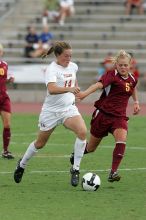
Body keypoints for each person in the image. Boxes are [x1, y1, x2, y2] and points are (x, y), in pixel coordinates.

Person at [14, 41, 87, 187]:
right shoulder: (52, 69)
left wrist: (76, 90)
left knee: (83, 132)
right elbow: (52, 89)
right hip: (51, 112)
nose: (69, 59)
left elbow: (73, 80)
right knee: (40, 144)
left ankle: (75, 169)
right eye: (66, 56)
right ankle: (22, 164)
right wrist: (70, 89)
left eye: (70, 56)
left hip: (68, 109)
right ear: (58, 55)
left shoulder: (73, 66)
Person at [70, 50, 140, 182]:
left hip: (119, 117)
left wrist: (136, 102)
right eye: (120, 65)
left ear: (130, 65)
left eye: (126, 65)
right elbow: (98, 85)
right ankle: (77, 154)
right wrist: (84, 94)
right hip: (103, 115)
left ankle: (113, 172)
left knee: (121, 140)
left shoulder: (132, 79)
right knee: (91, 148)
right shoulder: (111, 75)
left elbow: (132, 87)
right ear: (116, 65)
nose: (123, 67)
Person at [0, 44, 15, 159]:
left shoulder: (4, 64)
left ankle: (5, 151)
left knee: (7, 125)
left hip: (3, 98)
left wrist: (9, 80)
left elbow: (4, 81)